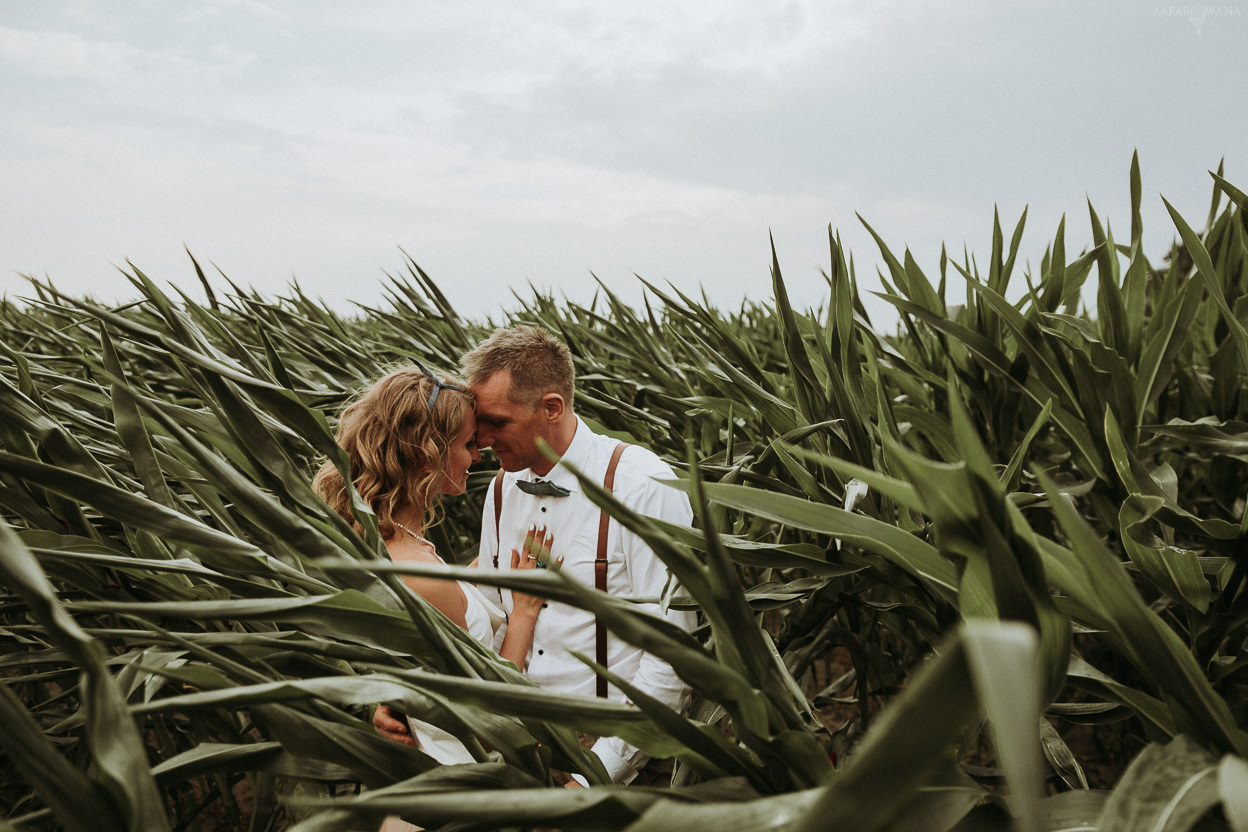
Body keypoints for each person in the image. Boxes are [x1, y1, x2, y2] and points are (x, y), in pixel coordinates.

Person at [375, 326, 696, 786]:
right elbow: (483, 613)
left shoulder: (642, 488)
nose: (481, 439)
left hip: (615, 756)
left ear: (551, 407)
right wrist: (408, 700)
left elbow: (672, 657)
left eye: (498, 422)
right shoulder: (503, 488)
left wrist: (594, 776)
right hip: (515, 753)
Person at [313, 363, 550, 759]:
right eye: (469, 444)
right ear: (428, 457)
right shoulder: (416, 573)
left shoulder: (392, 544)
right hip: (471, 774)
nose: (478, 455)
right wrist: (525, 609)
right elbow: (492, 722)